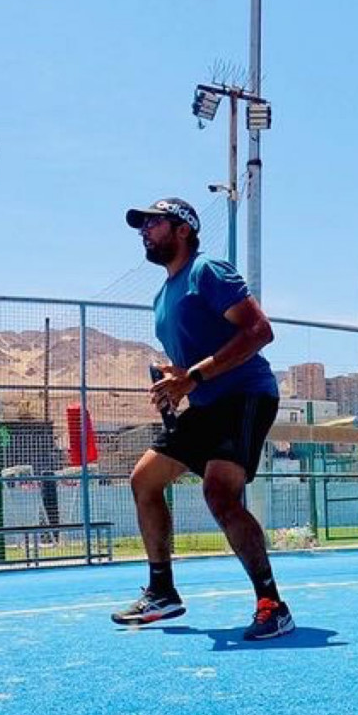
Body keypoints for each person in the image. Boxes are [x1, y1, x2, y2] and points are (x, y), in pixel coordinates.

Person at [112, 197, 292, 640]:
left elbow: (259, 331)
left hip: (246, 395)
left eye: (154, 223)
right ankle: (162, 592)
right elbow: (194, 360)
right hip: (207, 403)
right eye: (142, 225)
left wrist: (192, 376)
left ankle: (272, 605)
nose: (144, 231)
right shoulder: (162, 296)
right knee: (144, 480)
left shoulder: (207, 270)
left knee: (219, 493)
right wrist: (175, 377)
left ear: (183, 229)